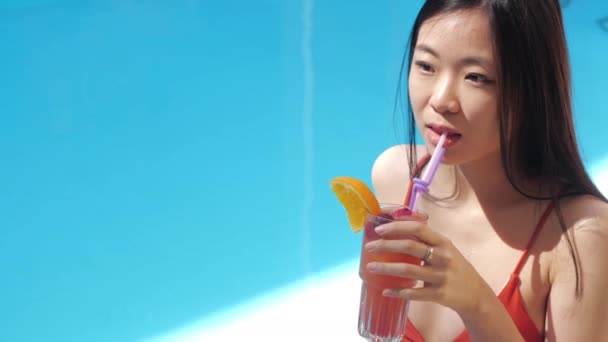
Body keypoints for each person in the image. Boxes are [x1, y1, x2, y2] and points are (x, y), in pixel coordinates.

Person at [367, 1, 608, 341]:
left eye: (476, 77)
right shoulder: (395, 176)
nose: (441, 99)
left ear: (533, 90)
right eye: (425, 65)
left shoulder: (582, 236)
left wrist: (478, 304)